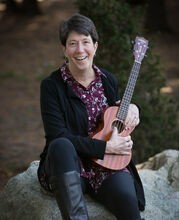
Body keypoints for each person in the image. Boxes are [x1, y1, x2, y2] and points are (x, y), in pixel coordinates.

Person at [37, 13, 145, 220]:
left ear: (95, 46)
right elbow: (57, 134)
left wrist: (133, 108)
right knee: (59, 144)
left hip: (106, 164)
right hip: (69, 163)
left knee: (127, 200)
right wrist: (104, 147)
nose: (80, 50)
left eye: (86, 42)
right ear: (64, 49)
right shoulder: (51, 86)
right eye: (72, 43)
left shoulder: (108, 80)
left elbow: (115, 115)